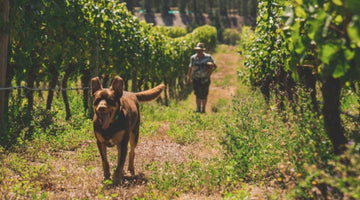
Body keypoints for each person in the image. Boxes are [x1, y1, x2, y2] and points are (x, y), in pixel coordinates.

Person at [187, 42, 217, 113]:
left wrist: (210, 72)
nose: (198, 52)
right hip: (196, 78)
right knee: (197, 94)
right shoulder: (193, 58)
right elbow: (190, 68)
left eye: (200, 50)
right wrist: (189, 78)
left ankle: (203, 109)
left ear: (203, 50)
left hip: (205, 78)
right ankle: (198, 108)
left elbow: (215, 66)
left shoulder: (208, 57)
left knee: (204, 94)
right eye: (197, 50)